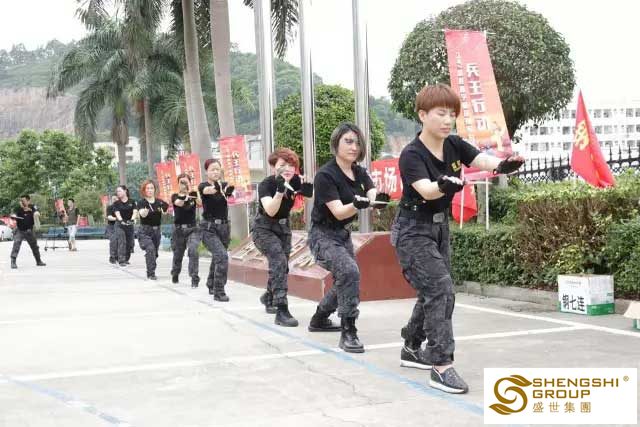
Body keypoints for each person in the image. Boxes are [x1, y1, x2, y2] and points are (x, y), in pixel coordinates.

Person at [391, 83, 524, 394]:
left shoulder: (453, 144)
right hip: (412, 230)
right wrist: (443, 186)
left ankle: (411, 345)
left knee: (434, 290)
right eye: (440, 113)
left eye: (452, 114)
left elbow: (479, 159)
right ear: (422, 115)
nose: (447, 120)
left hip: (440, 228)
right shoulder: (411, 154)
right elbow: (425, 190)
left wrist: (502, 166)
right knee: (440, 289)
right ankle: (441, 364)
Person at [307, 123, 387, 353]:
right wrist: (357, 204)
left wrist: (375, 200)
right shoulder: (325, 175)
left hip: (343, 234)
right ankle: (348, 331)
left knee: (346, 278)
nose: (354, 147)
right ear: (336, 144)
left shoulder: (359, 172)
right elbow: (339, 212)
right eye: (348, 142)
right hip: (322, 235)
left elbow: (371, 191)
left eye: (357, 143)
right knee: (350, 272)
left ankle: (320, 318)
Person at [252, 148, 314, 327]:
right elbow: (270, 210)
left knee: (282, 265)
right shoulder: (266, 184)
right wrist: (279, 192)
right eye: (282, 165)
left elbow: (312, 196)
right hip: (263, 229)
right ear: (273, 167)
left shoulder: (295, 180)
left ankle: (268, 296)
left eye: (291, 165)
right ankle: (281, 309)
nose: (287, 169)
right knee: (278, 260)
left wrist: (309, 188)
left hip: (284, 229)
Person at [198, 159, 234, 302]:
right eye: (212, 169)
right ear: (206, 171)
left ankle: (211, 283)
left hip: (224, 228)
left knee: (218, 257)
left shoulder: (224, 185)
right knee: (222, 256)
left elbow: (233, 192)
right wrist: (219, 188)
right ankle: (219, 291)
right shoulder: (203, 186)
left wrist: (229, 189)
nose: (215, 172)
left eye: (218, 169)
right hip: (209, 228)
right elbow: (208, 191)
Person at [170, 174, 202, 287]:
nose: (183, 184)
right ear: (178, 184)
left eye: (186, 182)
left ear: (189, 182)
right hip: (179, 230)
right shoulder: (175, 196)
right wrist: (186, 196)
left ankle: (194, 277)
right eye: (181, 182)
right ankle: (175, 272)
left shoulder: (193, 195)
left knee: (193, 250)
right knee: (178, 254)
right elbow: (179, 203)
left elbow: (200, 203)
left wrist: (193, 192)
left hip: (192, 229)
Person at [137, 180, 169, 280]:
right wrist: (145, 211)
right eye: (147, 188)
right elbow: (142, 214)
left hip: (156, 231)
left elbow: (165, 211)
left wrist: (165, 210)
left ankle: (151, 268)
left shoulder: (159, 202)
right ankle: (151, 273)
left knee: (154, 253)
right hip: (145, 231)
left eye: (151, 188)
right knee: (150, 248)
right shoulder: (141, 202)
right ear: (144, 190)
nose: (150, 190)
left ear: (154, 189)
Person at [9, 194, 46, 269]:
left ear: (28, 201)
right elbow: (14, 214)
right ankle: (13, 261)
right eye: (21, 201)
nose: (22, 202)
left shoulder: (32, 207)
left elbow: (37, 213)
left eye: (24, 201)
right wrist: (13, 217)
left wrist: (31, 211)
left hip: (29, 230)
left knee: (34, 246)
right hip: (20, 230)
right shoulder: (18, 208)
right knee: (16, 244)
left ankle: (38, 261)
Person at [112, 185, 138, 267]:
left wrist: (132, 220)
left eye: (119, 191)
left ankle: (126, 259)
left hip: (129, 224)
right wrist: (121, 220)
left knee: (130, 243)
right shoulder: (116, 203)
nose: (118, 193)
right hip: (119, 225)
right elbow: (117, 213)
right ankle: (121, 260)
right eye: (117, 191)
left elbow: (135, 212)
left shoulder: (132, 201)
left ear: (125, 191)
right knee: (122, 240)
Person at [105, 195, 119, 264]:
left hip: (119, 226)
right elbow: (109, 217)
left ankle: (118, 257)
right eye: (113, 199)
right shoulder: (110, 207)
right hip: (111, 226)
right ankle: (112, 257)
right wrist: (117, 218)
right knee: (113, 240)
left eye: (116, 198)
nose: (114, 200)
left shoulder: (121, 208)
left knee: (120, 242)